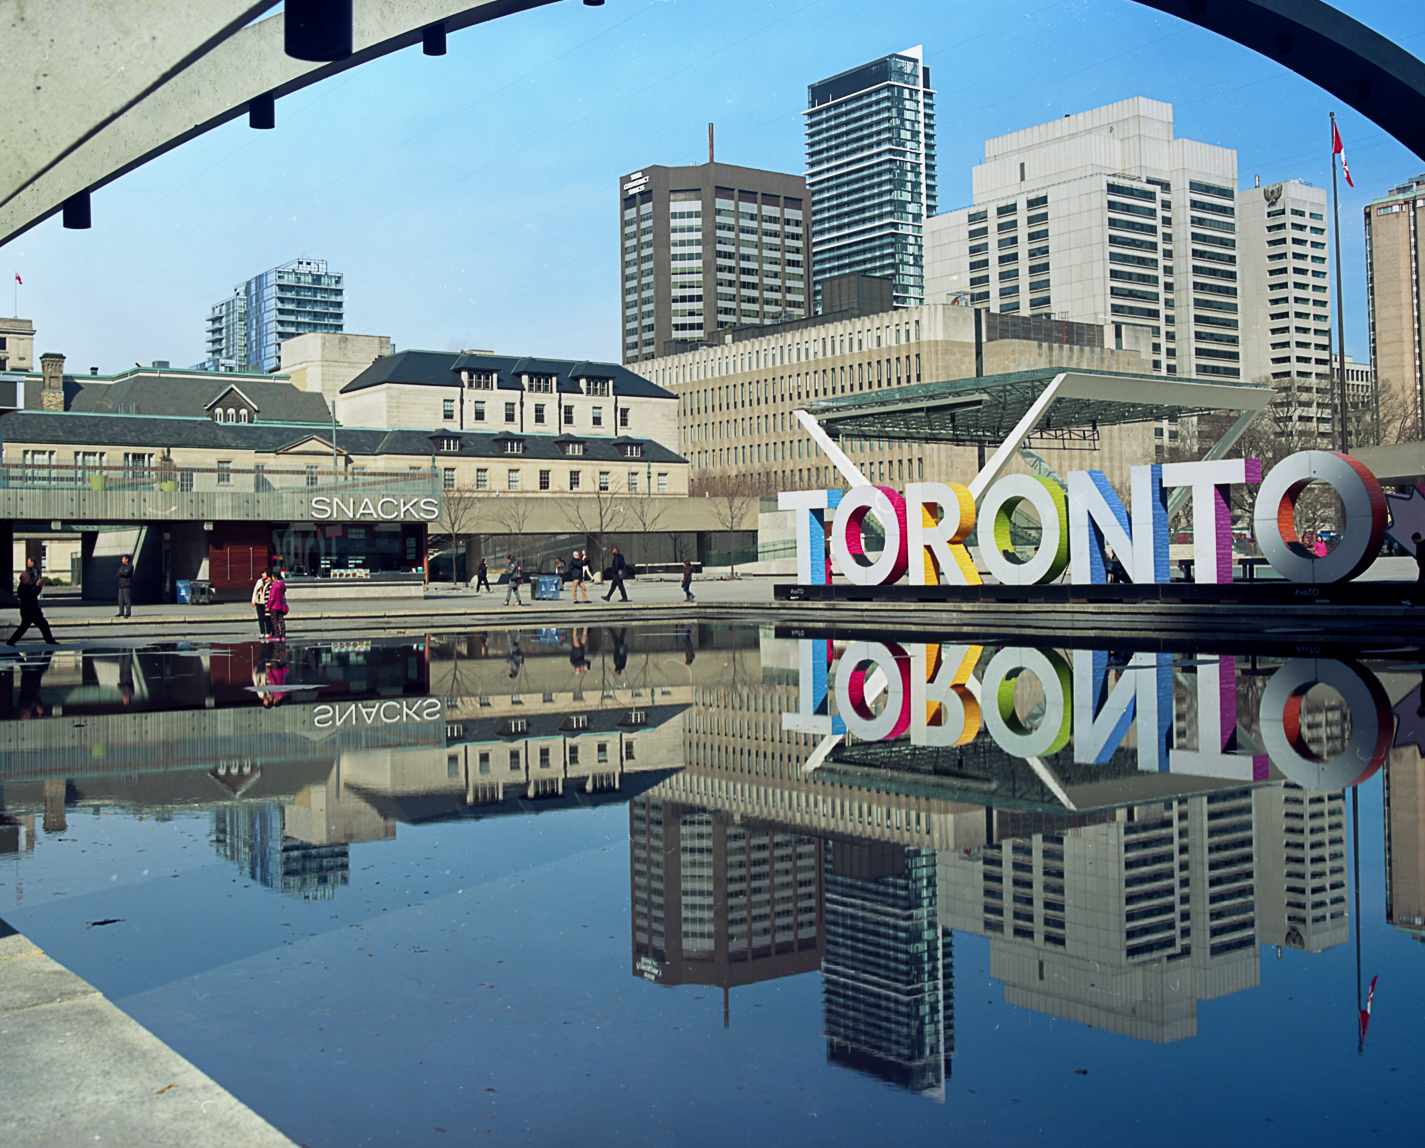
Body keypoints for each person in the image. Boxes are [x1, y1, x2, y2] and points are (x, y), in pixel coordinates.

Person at [7, 558, 58, 646]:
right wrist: (38, 586)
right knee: (23, 628)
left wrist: (37, 587)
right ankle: (11, 641)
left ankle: (49, 640)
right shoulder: (22, 588)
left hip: (33, 612)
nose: (30, 579)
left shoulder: (25, 586)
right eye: (28, 578)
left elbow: (33, 593)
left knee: (43, 624)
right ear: (24, 579)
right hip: (28, 612)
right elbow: (33, 594)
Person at [266, 570, 289, 641]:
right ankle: (283, 635)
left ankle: (277, 635)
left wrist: (268, 606)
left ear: (274, 577)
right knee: (281, 620)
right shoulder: (282, 584)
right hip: (281, 605)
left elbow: (272, 598)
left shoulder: (274, 586)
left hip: (274, 606)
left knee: (274, 621)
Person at [251, 571, 271, 637]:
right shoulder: (259, 581)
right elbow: (255, 591)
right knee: (260, 618)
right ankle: (262, 632)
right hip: (259, 602)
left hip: (266, 602)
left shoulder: (270, 582)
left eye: (264, 573)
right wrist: (253, 601)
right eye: (262, 573)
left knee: (267, 618)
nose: (262, 574)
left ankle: (268, 632)